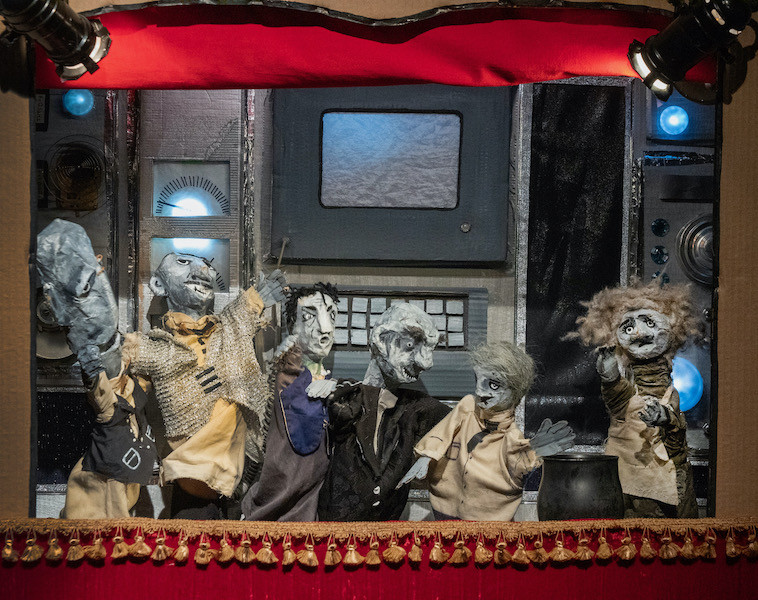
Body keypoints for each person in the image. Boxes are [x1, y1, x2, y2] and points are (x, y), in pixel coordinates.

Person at [120, 253, 286, 519]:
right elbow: (122, 400)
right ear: (159, 285)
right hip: (192, 481)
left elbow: (238, 316)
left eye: (207, 265)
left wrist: (257, 298)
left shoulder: (228, 329)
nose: (202, 270)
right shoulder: (153, 348)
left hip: (238, 480)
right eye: (182, 262)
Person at [36, 219, 156, 519]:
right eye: (85, 290)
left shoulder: (131, 359)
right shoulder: (103, 386)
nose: (101, 294)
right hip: (100, 503)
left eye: (96, 276)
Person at [569, 279, 701, 518]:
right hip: (626, 485)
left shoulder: (671, 395)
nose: (638, 333)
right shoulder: (627, 393)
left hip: (665, 489)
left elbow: (676, 438)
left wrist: (666, 418)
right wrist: (609, 375)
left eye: (648, 322)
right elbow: (618, 397)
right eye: (628, 327)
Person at [400, 341, 575, 521]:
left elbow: (516, 469)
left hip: (487, 517)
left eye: (494, 385)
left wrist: (532, 452)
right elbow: (443, 431)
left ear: (515, 391)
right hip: (444, 504)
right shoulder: (467, 407)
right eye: (478, 380)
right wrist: (427, 455)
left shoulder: (511, 438)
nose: (479, 391)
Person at [310, 303, 450, 521]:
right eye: (410, 344)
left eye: (429, 349)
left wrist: (430, 454)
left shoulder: (416, 409)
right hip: (335, 530)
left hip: (386, 531)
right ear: (380, 340)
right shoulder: (343, 396)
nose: (426, 363)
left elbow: (462, 418)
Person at [242, 282, 339, 521]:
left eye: (332, 316)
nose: (325, 329)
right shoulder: (283, 380)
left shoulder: (329, 384)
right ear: (293, 326)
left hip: (315, 510)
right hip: (281, 510)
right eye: (309, 317)